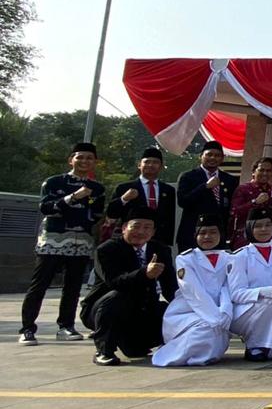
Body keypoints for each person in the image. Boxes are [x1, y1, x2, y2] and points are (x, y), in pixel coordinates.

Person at [21, 141, 105, 345]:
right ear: (71, 160)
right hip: (54, 239)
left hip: (81, 241)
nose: (84, 161)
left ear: (95, 162)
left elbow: (95, 215)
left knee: (73, 286)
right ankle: (27, 328)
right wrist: (73, 198)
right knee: (40, 284)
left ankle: (66, 326)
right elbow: (47, 208)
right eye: (80, 157)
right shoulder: (53, 182)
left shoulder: (97, 188)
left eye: (89, 158)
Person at [80, 206, 175, 365]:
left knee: (170, 310)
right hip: (104, 308)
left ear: (153, 232)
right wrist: (145, 273)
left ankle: (143, 342)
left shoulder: (160, 250)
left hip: (142, 308)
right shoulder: (107, 249)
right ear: (124, 228)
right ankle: (104, 351)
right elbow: (114, 282)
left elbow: (170, 285)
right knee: (118, 297)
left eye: (147, 228)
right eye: (136, 226)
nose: (141, 232)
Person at [152, 214, 233, 367]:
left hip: (221, 310)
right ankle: (170, 355)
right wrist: (214, 316)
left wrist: (225, 310)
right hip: (188, 311)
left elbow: (227, 287)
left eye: (213, 232)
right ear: (195, 236)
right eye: (202, 233)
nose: (207, 236)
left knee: (218, 332)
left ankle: (208, 356)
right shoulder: (185, 258)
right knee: (206, 328)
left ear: (220, 234)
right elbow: (192, 291)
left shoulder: (229, 257)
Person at [228, 208, 272, 361]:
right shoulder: (239, 256)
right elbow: (236, 293)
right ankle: (256, 345)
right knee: (269, 304)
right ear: (250, 228)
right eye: (258, 226)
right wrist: (265, 292)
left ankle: (266, 345)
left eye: (268, 225)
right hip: (245, 310)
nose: (264, 229)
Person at [106, 146, 176, 247]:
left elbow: (170, 218)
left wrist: (168, 242)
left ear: (161, 166)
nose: (151, 165)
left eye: (155, 162)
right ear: (139, 165)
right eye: (147, 162)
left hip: (158, 240)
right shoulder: (124, 187)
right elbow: (111, 213)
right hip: (131, 239)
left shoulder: (168, 190)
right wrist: (124, 199)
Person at [177, 141, 239, 250]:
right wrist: (205, 187)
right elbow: (183, 201)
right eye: (209, 155)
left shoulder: (230, 179)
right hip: (193, 233)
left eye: (217, 155)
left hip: (218, 234)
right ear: (201, 156)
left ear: (222, 158)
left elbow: (231, 207)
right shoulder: (188, 177)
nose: (213, 158)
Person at [229, 159, 272, 248]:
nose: (265, 173)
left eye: (268, 171)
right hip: (245, 237)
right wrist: (254, 202)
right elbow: (234, 212)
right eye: (261, 170)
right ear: (253, 172)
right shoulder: (243, 189)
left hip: (267, 237)